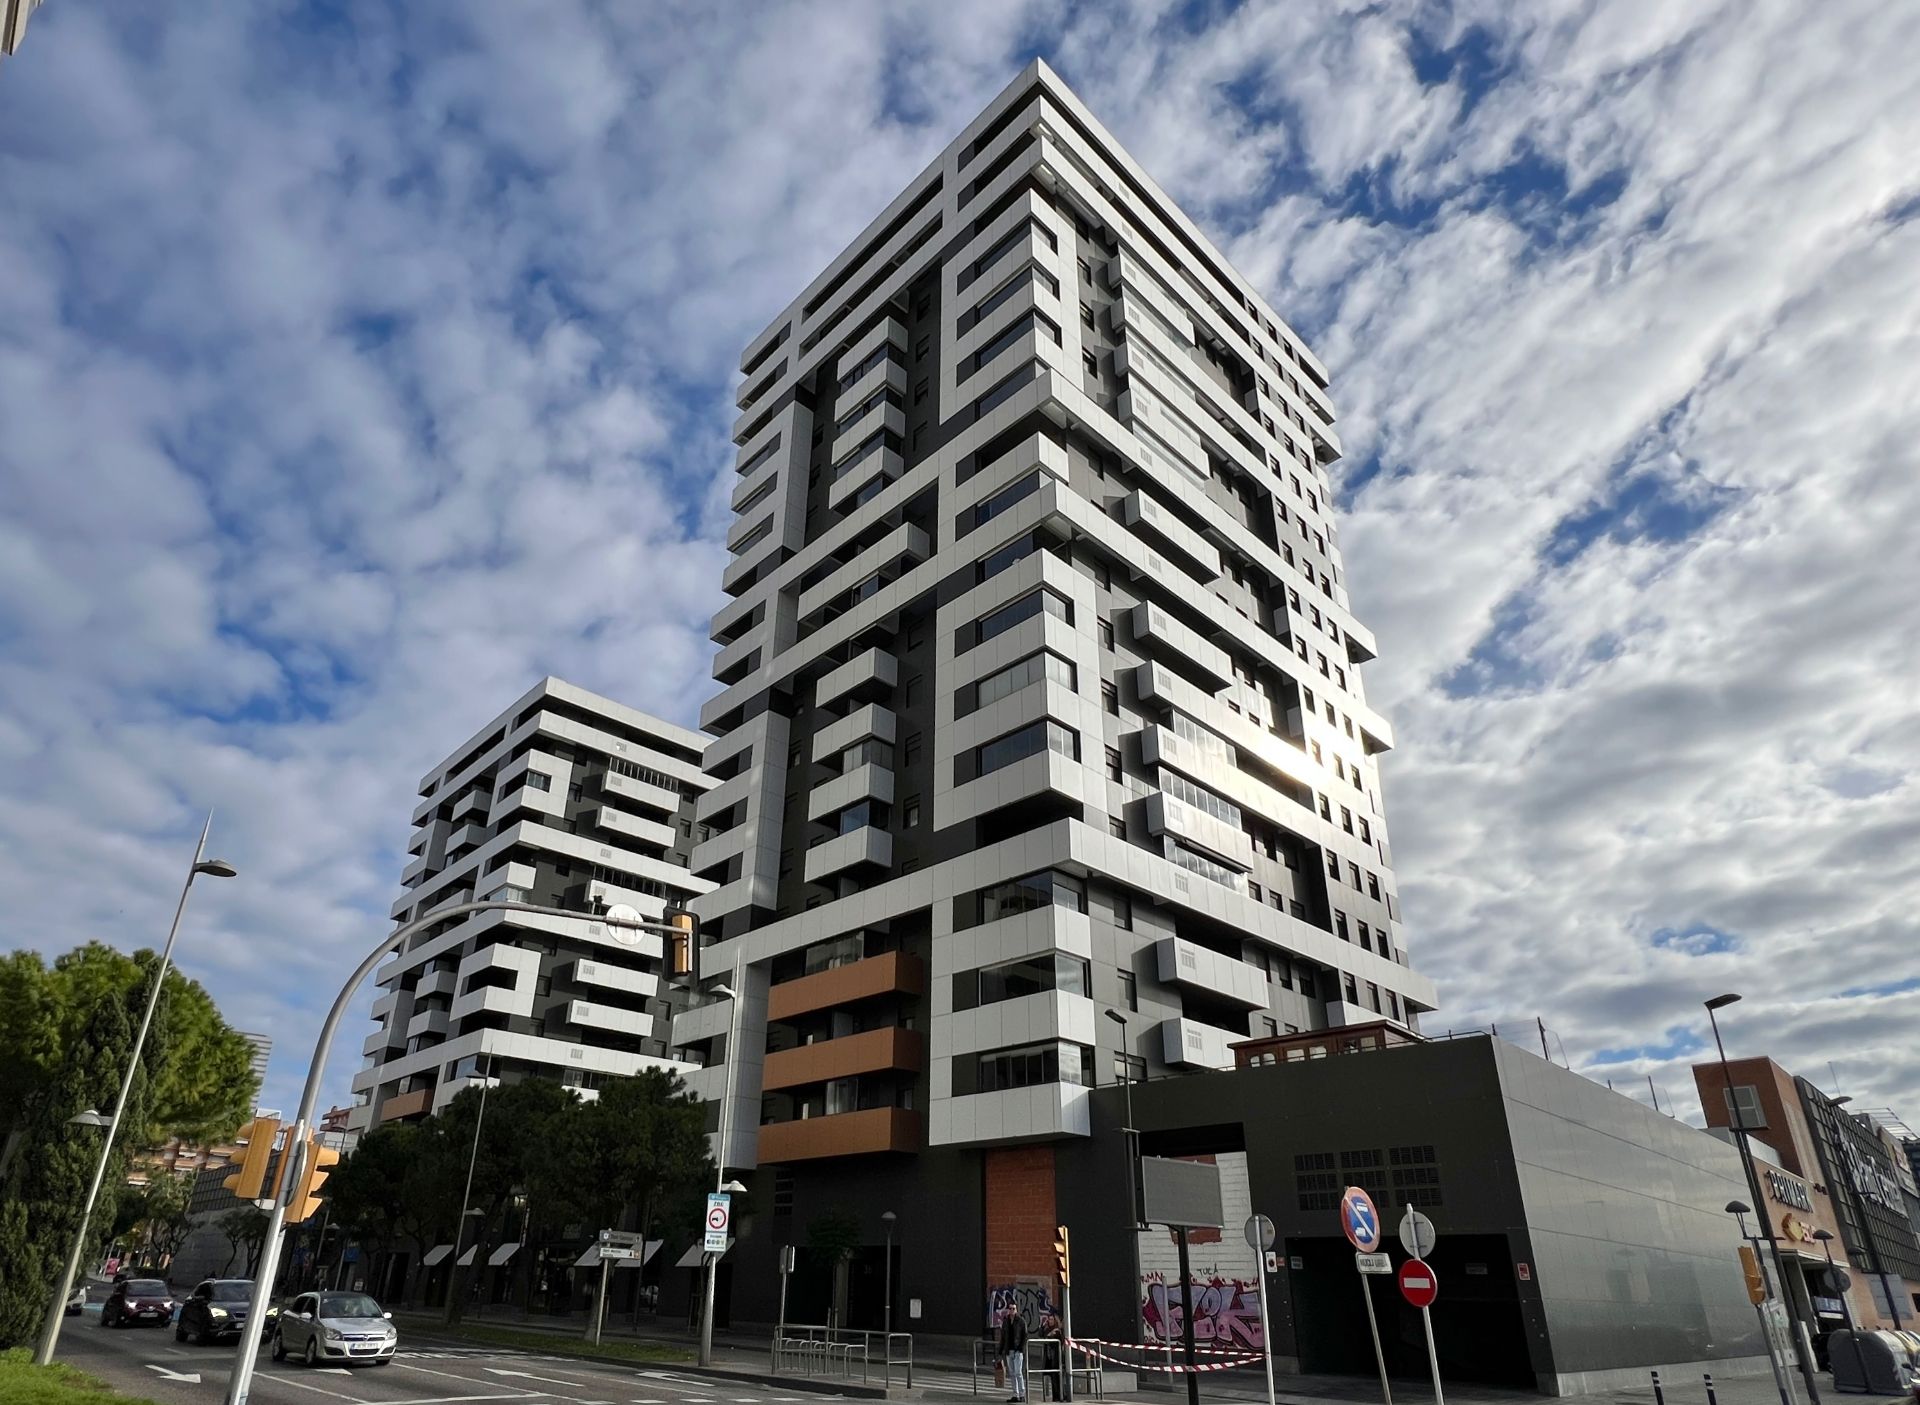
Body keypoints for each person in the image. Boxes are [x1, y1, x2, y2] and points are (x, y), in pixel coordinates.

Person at [998, 1306, 1029, 1403]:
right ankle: (1015, 1394)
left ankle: (1022, 1394)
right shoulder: (1006, 1321)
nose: (1011, 1310)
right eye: (1010, 1308)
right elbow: (1003, 1336)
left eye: (1013, 1308)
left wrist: (1021, 1348)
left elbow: (1025, 1335)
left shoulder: (1020, 1321)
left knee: (1018, 1372)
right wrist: (1000, 1350)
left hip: (1017, 1350)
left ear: (1016, 1310)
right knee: (1011, 1373)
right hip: (1009, 1350)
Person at [1034, 1310, 1064, 1400]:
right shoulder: (1048, 1329)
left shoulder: (1057, 1331)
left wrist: (1050, 1334)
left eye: (1052, 1320)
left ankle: (1058, 1396)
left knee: (1056, 1377)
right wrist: (1042, 1325)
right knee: (1052, 1377)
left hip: (1055, 1357)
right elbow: (1040, 1334)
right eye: (1049, 1319)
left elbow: (1058, 1339)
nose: (1050, 1321)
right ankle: (1055, 1396)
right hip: (1049, 1357)